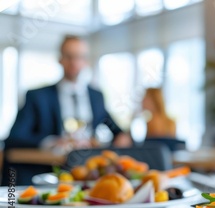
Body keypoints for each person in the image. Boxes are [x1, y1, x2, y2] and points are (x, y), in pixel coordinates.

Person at [4, 35, 132, 151]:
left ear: (86, 61)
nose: (74, 63)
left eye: (79, 57)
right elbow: (15, 138)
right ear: (60, 59)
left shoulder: (96, 96)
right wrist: (51, 143)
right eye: (69, 56)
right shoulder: (38, 97)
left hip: (87, 167)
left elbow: (116, 130)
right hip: (50, 167)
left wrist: (122, 137)